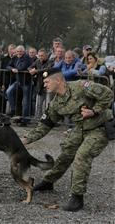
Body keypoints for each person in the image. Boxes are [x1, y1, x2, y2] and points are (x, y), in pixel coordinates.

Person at [21, 68, 113, 212]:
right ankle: (48, 181)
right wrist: (26, 139)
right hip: (81, 128)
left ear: (58, 80)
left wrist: (94, 110)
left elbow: (108, 94)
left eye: (46, 81)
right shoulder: (56, 103)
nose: (44, 85)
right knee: (66, 153)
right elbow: (45, 125)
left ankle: (77, 197)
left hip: (99, 127)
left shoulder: (81, 86)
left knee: (82, 156)